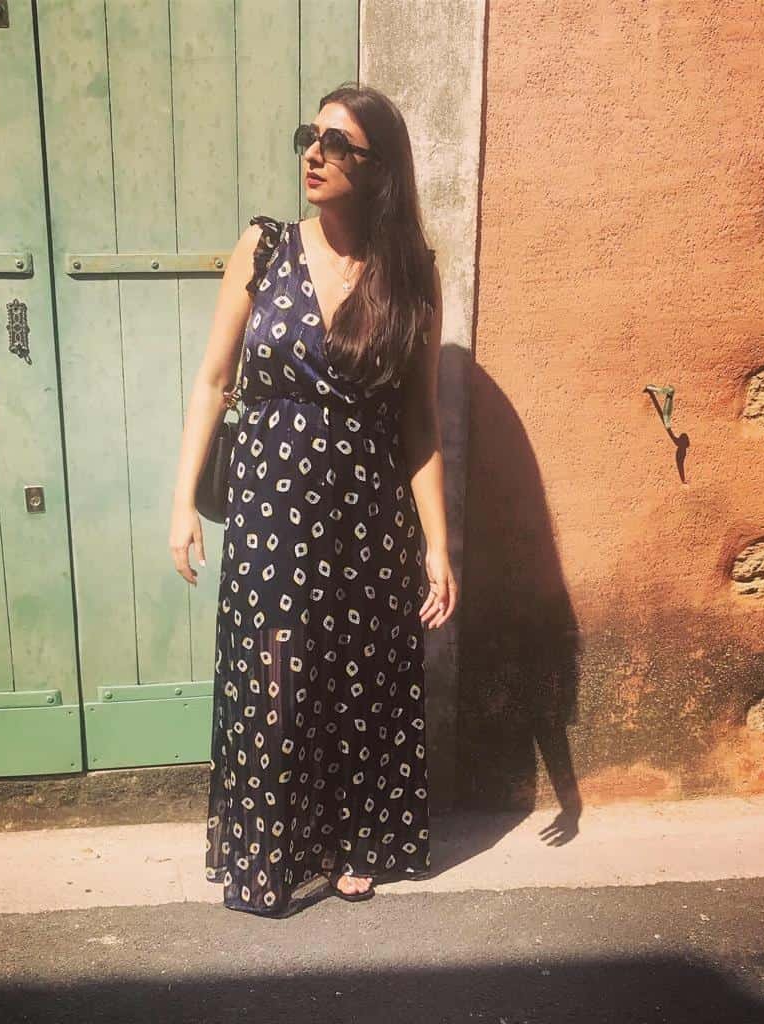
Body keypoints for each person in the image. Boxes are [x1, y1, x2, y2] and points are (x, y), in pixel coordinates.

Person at [169, 81, 456, 916]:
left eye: (338, 144)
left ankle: (357, 842)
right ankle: (270, 849)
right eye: (311, 136)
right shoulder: (263, 248)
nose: (315, 154)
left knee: (359, 678)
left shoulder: (411, 275)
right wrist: (182, 502)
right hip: (269, 510)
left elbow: (420, 421)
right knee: (275, 674)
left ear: (379, 169)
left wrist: (438, 546)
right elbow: (213, 381)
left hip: (368, 515)